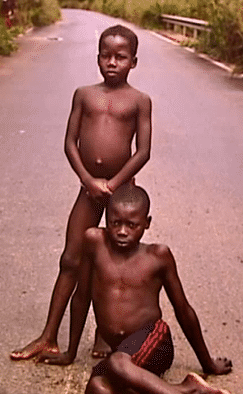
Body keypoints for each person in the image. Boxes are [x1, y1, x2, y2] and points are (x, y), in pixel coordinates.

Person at [11, 25, 152, 360]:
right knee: (70, 259)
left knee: (113, 265)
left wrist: (114, 184)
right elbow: (69, 143)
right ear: (98, 58)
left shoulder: (140, 101)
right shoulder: (84, 94)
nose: (112, 62)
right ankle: (48, 336)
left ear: (133, 61)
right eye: (106, 56)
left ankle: (107, 337)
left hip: (122, 196)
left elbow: (143, 151)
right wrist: (89, 180)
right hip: (89, 189)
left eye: (121, 57)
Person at [40, 185, 239, 394]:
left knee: (117, 363)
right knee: (96, 390)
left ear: (147, 223)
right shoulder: (94, 243)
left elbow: (183, 310)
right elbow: (81, 298)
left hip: (155, 341)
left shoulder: (158, 256)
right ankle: (188, 390)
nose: (123, 231)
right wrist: (70, 352)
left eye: (132, 225)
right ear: (107, 218)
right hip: (124, 354)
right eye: (116, 223)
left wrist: (208, 363)